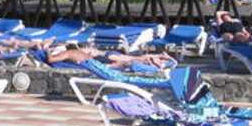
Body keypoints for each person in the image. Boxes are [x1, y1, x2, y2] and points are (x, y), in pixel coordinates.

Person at [44, 45, 174, 70]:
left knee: (130, 60)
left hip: (97, 60)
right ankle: (156, 61)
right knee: (130, 60)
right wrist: (47, 51)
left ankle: (155, 61)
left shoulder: (70, 53)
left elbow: (51, 59)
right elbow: (51, 60)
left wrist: (47, 50)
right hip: (98, 60)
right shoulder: (70, 52)